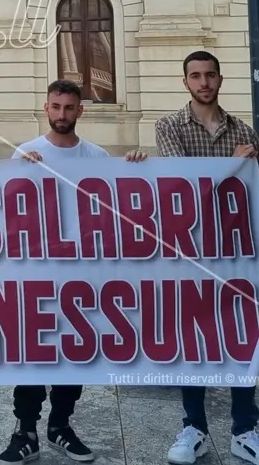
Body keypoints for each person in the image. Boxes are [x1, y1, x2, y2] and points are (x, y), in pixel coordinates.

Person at [0, 79, 147, 464]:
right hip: (36, 274)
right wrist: (20, 176)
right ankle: (25, 430)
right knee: (33, 354)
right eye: (56, 107)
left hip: (82, 276)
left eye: (69, 108)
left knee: (75, 353)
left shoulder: (97, 157)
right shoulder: (27, 152)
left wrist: (140, 169)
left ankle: (60, 425)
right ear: (46, 109)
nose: (62, 115)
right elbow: (6, 213)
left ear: (80, 110)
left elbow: (122, 206)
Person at [154, 51, 259, 465]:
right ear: (186, 82)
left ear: (220, 79)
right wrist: (234, 164)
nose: (203, 82)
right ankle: (193, 426)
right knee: (193, 338)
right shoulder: (168, 126)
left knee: (241, 335)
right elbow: (182, 185)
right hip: (190, 252)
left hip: (236, 251)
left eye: (209, 75)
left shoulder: (245, 130)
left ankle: (245, 428)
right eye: (195, 76)